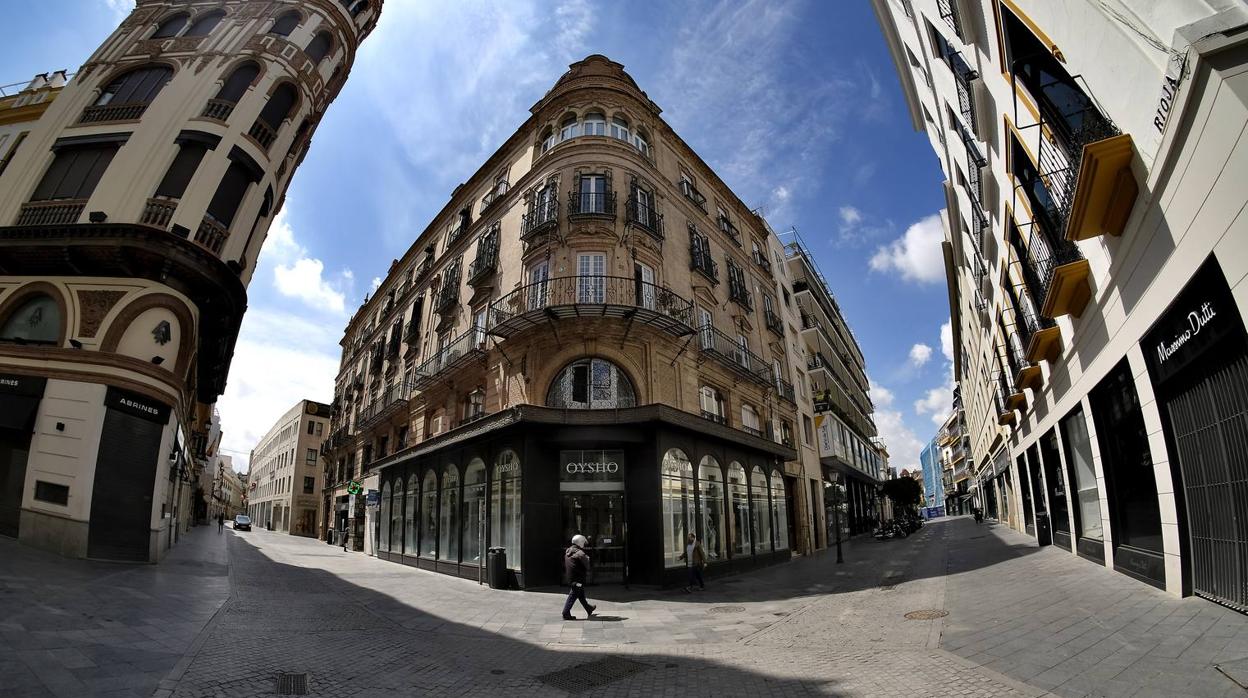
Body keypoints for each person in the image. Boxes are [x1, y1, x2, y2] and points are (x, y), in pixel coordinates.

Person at [562, 534, 597, 621]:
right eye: (583, 542)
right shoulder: (580, 553)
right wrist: (588, 559)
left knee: (580, 594)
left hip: (571, 578)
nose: (584, 545)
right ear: (580, 542)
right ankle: (565, 613)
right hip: (578, 578)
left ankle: (588, 608)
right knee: (573, 595)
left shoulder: (568, 551)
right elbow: (587, 565)